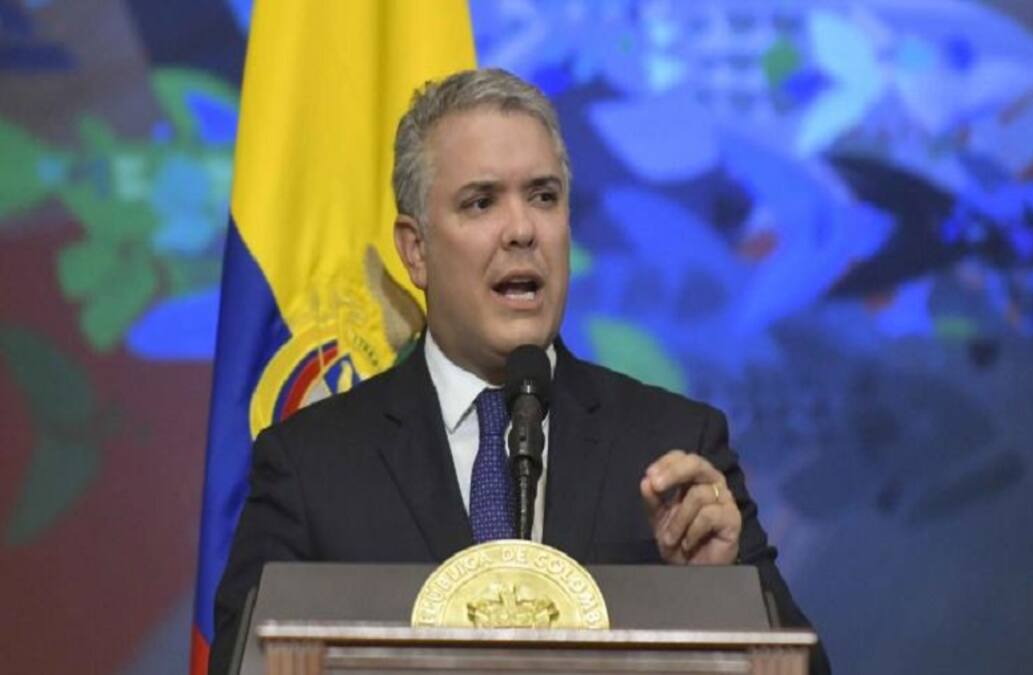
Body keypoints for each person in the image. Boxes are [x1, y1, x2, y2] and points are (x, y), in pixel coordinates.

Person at [210, 68, 827, 674]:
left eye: (543, 197)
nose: (523, 229)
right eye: (481, 202)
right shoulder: (312, 467)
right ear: (416, 250)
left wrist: (717, 597)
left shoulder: (675, 447)